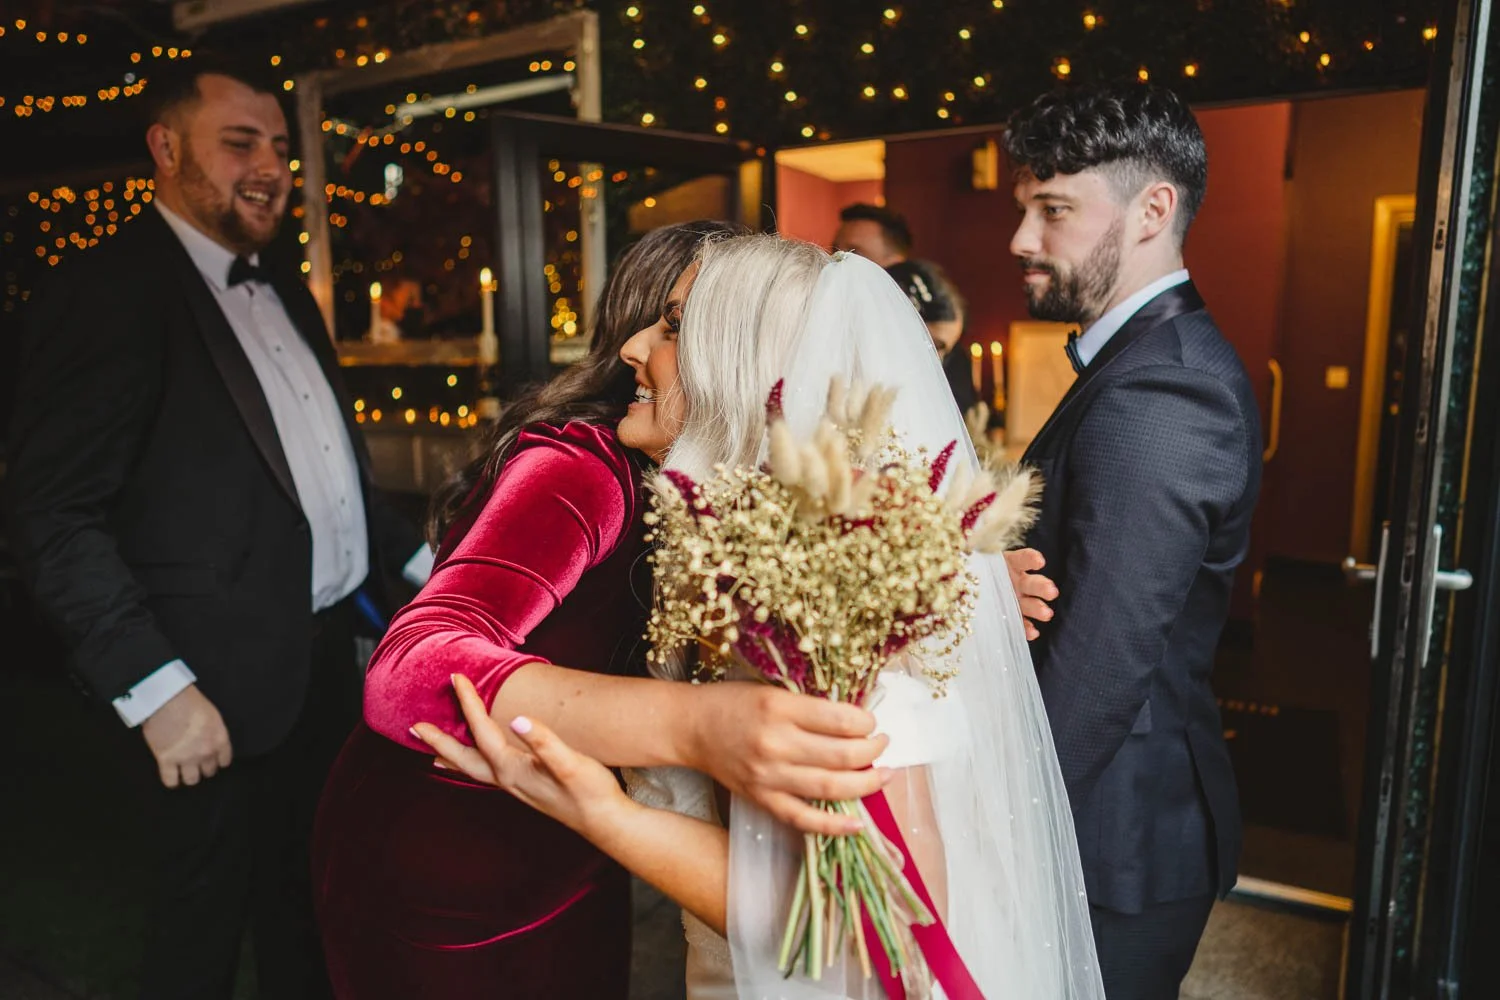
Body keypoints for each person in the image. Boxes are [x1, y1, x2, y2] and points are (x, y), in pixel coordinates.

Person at [417, 235, 1106, 1000]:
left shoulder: (841, 596)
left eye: (675, 325)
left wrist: (603, 814)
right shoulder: (739, 570)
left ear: (742, 369)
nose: (636, 345)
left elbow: (894, 936)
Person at [312, 222, 894, 999]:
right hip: (455, 854)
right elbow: (406, 673)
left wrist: (962, 577)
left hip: (582, 835)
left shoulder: (743, 498)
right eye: (662, 318)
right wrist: (700, 728)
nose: (634, 348)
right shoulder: (581, 469)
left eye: (678, 325)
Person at [4, 58, 425, 999]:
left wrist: (444, 569)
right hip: (207, 700)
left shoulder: (290, 291)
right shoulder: (104, 291)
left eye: (278, 147)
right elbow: (52, 514)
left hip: (322, 674)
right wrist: (157, 690)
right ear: (165, 149)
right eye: (239, 142)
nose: (270, 165)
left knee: (313, 912)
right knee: (194, 944)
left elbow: (337, 480)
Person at [1003, 85, 1263, 999]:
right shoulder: (1140, 363)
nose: (1022, 240)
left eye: (1054, 209)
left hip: (1114, 837)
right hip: (1111, 822)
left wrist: (998, 825)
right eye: (1023, 209)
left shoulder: (1165, 393)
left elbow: (1101, 667)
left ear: (1154, 209)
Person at [834, 204, 976, 413]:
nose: (836, 260)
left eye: (854, 253)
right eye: (836, 250)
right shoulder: (834, 320)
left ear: (894, 261)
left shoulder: (935, 329)